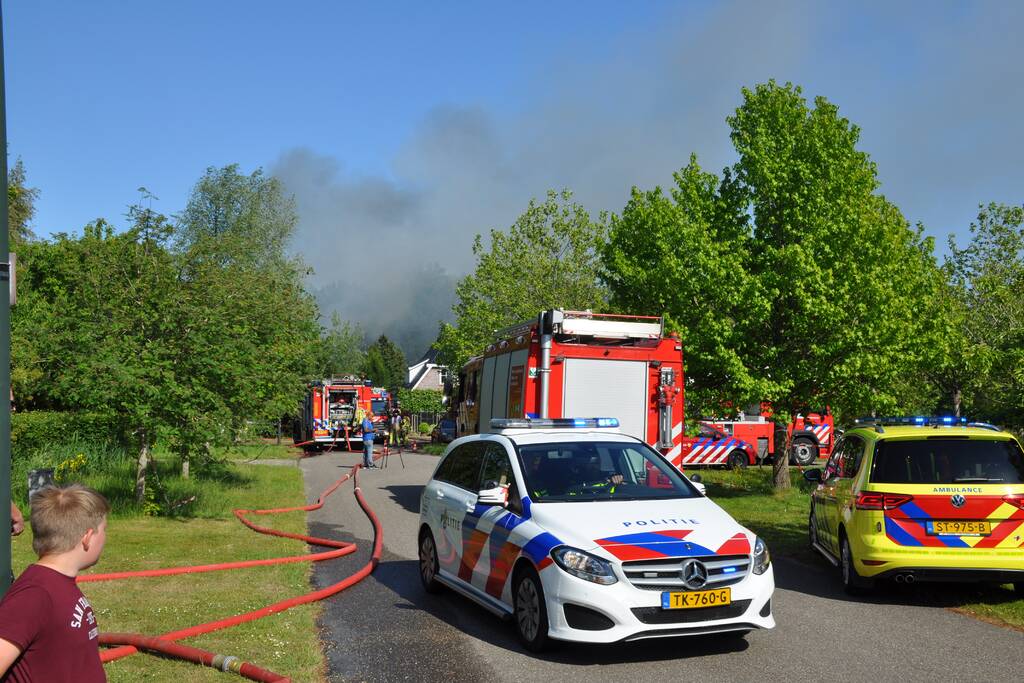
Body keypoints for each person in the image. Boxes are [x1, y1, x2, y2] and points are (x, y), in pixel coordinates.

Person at [0, 484, 110, 682]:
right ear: (87, 538)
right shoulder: (35, 594)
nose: (106, 537)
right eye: (104, 530)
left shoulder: (58, 582)